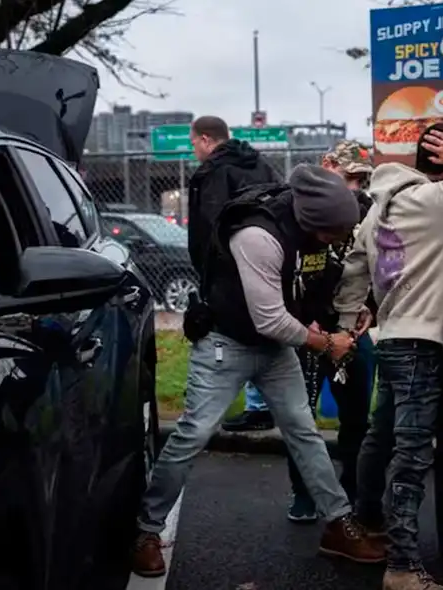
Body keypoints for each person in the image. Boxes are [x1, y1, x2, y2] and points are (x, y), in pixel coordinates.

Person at [133, 164, 386, 578]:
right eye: (334, 234)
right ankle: (145, 531)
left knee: (304, 432)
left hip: (275, 349)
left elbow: (312, 284)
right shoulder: (258, 235)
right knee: (193, 433)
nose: (340, 240)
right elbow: (270, 319)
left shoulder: (313, 231)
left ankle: (338, 524)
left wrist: (339, 315)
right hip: (226, 342)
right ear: (313, 223)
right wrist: (325, 343)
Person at [333, 121, 443, 590]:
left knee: (380, 435)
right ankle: (403, 568)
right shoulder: (438, 202)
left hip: (390, 339)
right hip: (420, 344)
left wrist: (350, 320)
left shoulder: (378, 208)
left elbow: (352, 269)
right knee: (411, 455)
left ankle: (366, 521)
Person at [281, 140, 378, 523]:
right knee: (300, 417)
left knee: (356, 417)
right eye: (349, 176)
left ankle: (351, 491)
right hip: (309, 329)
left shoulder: (369, 212)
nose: (354, 186)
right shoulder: (298, 209)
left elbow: (379, 267)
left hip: (352, 328)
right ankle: (303, 494)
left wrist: (370, 308)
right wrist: (304, 322)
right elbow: (286, 272)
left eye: (361, 179)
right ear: (328, 165)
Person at [187, 115, 283, 432]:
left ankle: (228, 410)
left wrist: (207, 270)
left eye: (193, 144)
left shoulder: (214, 172)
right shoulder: (260, 163)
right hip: (269, 259)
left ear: (205, 139)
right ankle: (265, 404)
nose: (194, 151)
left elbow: (208, 225)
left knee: (229, 338)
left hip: (228, 270)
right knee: (265, 330)